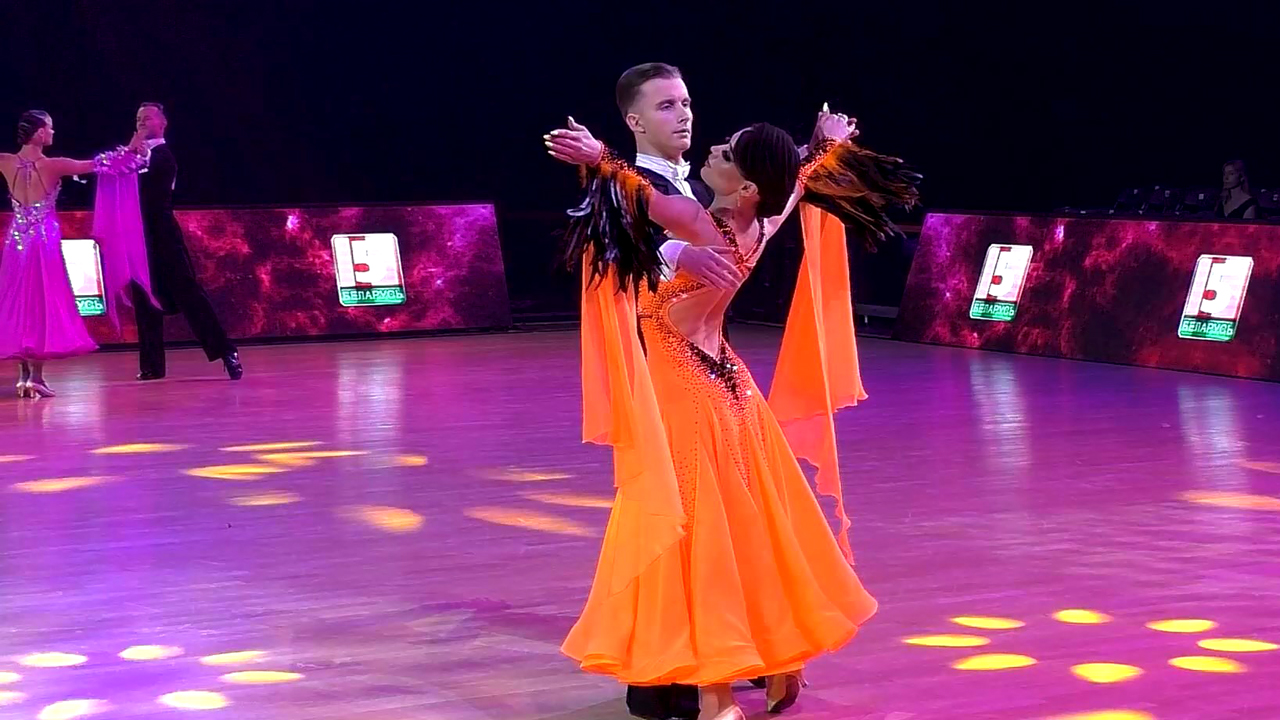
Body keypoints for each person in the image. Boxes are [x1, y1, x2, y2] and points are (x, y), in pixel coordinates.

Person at [547, 110, 920, 719]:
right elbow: (800, 178)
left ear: (745, 185)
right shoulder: (764, 220)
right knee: (751, 526)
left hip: (684, 387)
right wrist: (824, 144)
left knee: (699, 533)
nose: (714, 149)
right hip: (733, 387)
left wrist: (597, 156)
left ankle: (717, 697)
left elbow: (637, 193)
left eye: (727, 152)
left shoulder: (699, 221)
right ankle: (780, 660)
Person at [0, 111, 149, 398]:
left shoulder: (5, 162)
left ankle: (24, 377)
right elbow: (98, 164)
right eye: (50, 128)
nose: (53, 133)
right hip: (43, 245)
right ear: (39, 133)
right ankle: (36, 377)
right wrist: (130, 151)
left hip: (16, 244)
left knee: (19, 304)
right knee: (41, 305)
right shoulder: (54, 165)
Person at [131, 103, 242, 381]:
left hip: (163, 235)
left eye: (148, 118)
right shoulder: (132, 156)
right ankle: (151, 365)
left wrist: (139, 154)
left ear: (162, 123)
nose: (142, 122)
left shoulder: (163, 156)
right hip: (138, 235)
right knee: (144, 297)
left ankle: (226, 350)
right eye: (138, 118)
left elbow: (156, 173)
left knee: (188, 293)